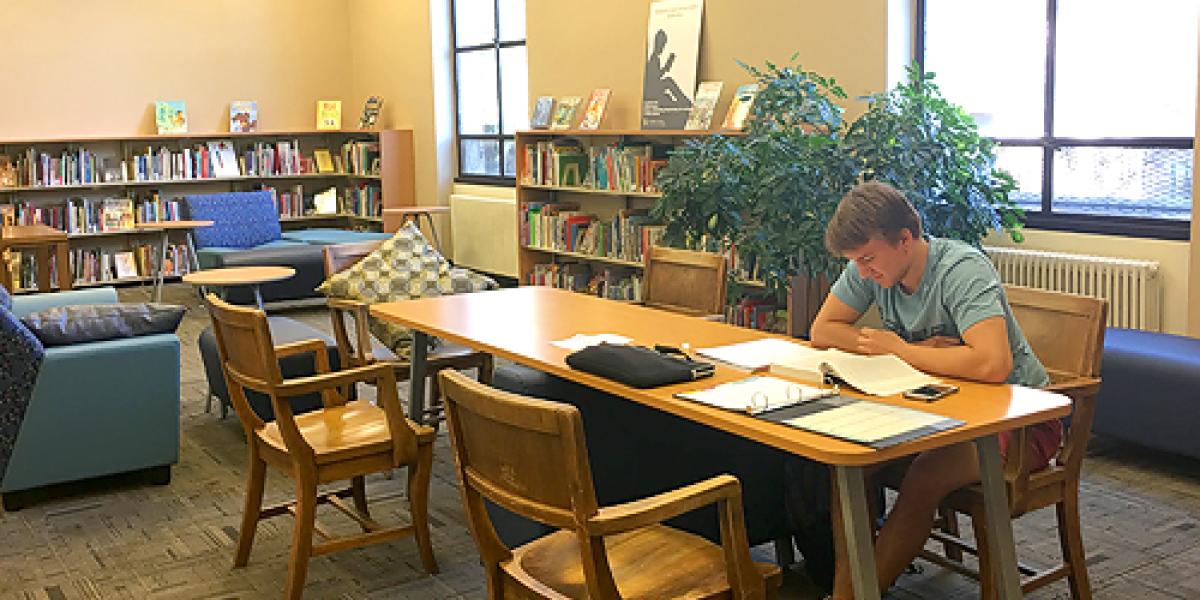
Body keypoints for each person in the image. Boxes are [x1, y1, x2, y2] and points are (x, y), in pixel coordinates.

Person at [809, 181, 1062, 599]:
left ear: (905, 240)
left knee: (925, 476)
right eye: (854, 262)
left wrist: (902, 351)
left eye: (868, 259)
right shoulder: (872, 267)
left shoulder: (961, 268)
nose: (861, 271)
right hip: (935, 410)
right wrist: (908, 351)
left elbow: (992, 364)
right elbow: (823, 330)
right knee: (848, 465)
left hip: (1019, 420)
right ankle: (851, 588)